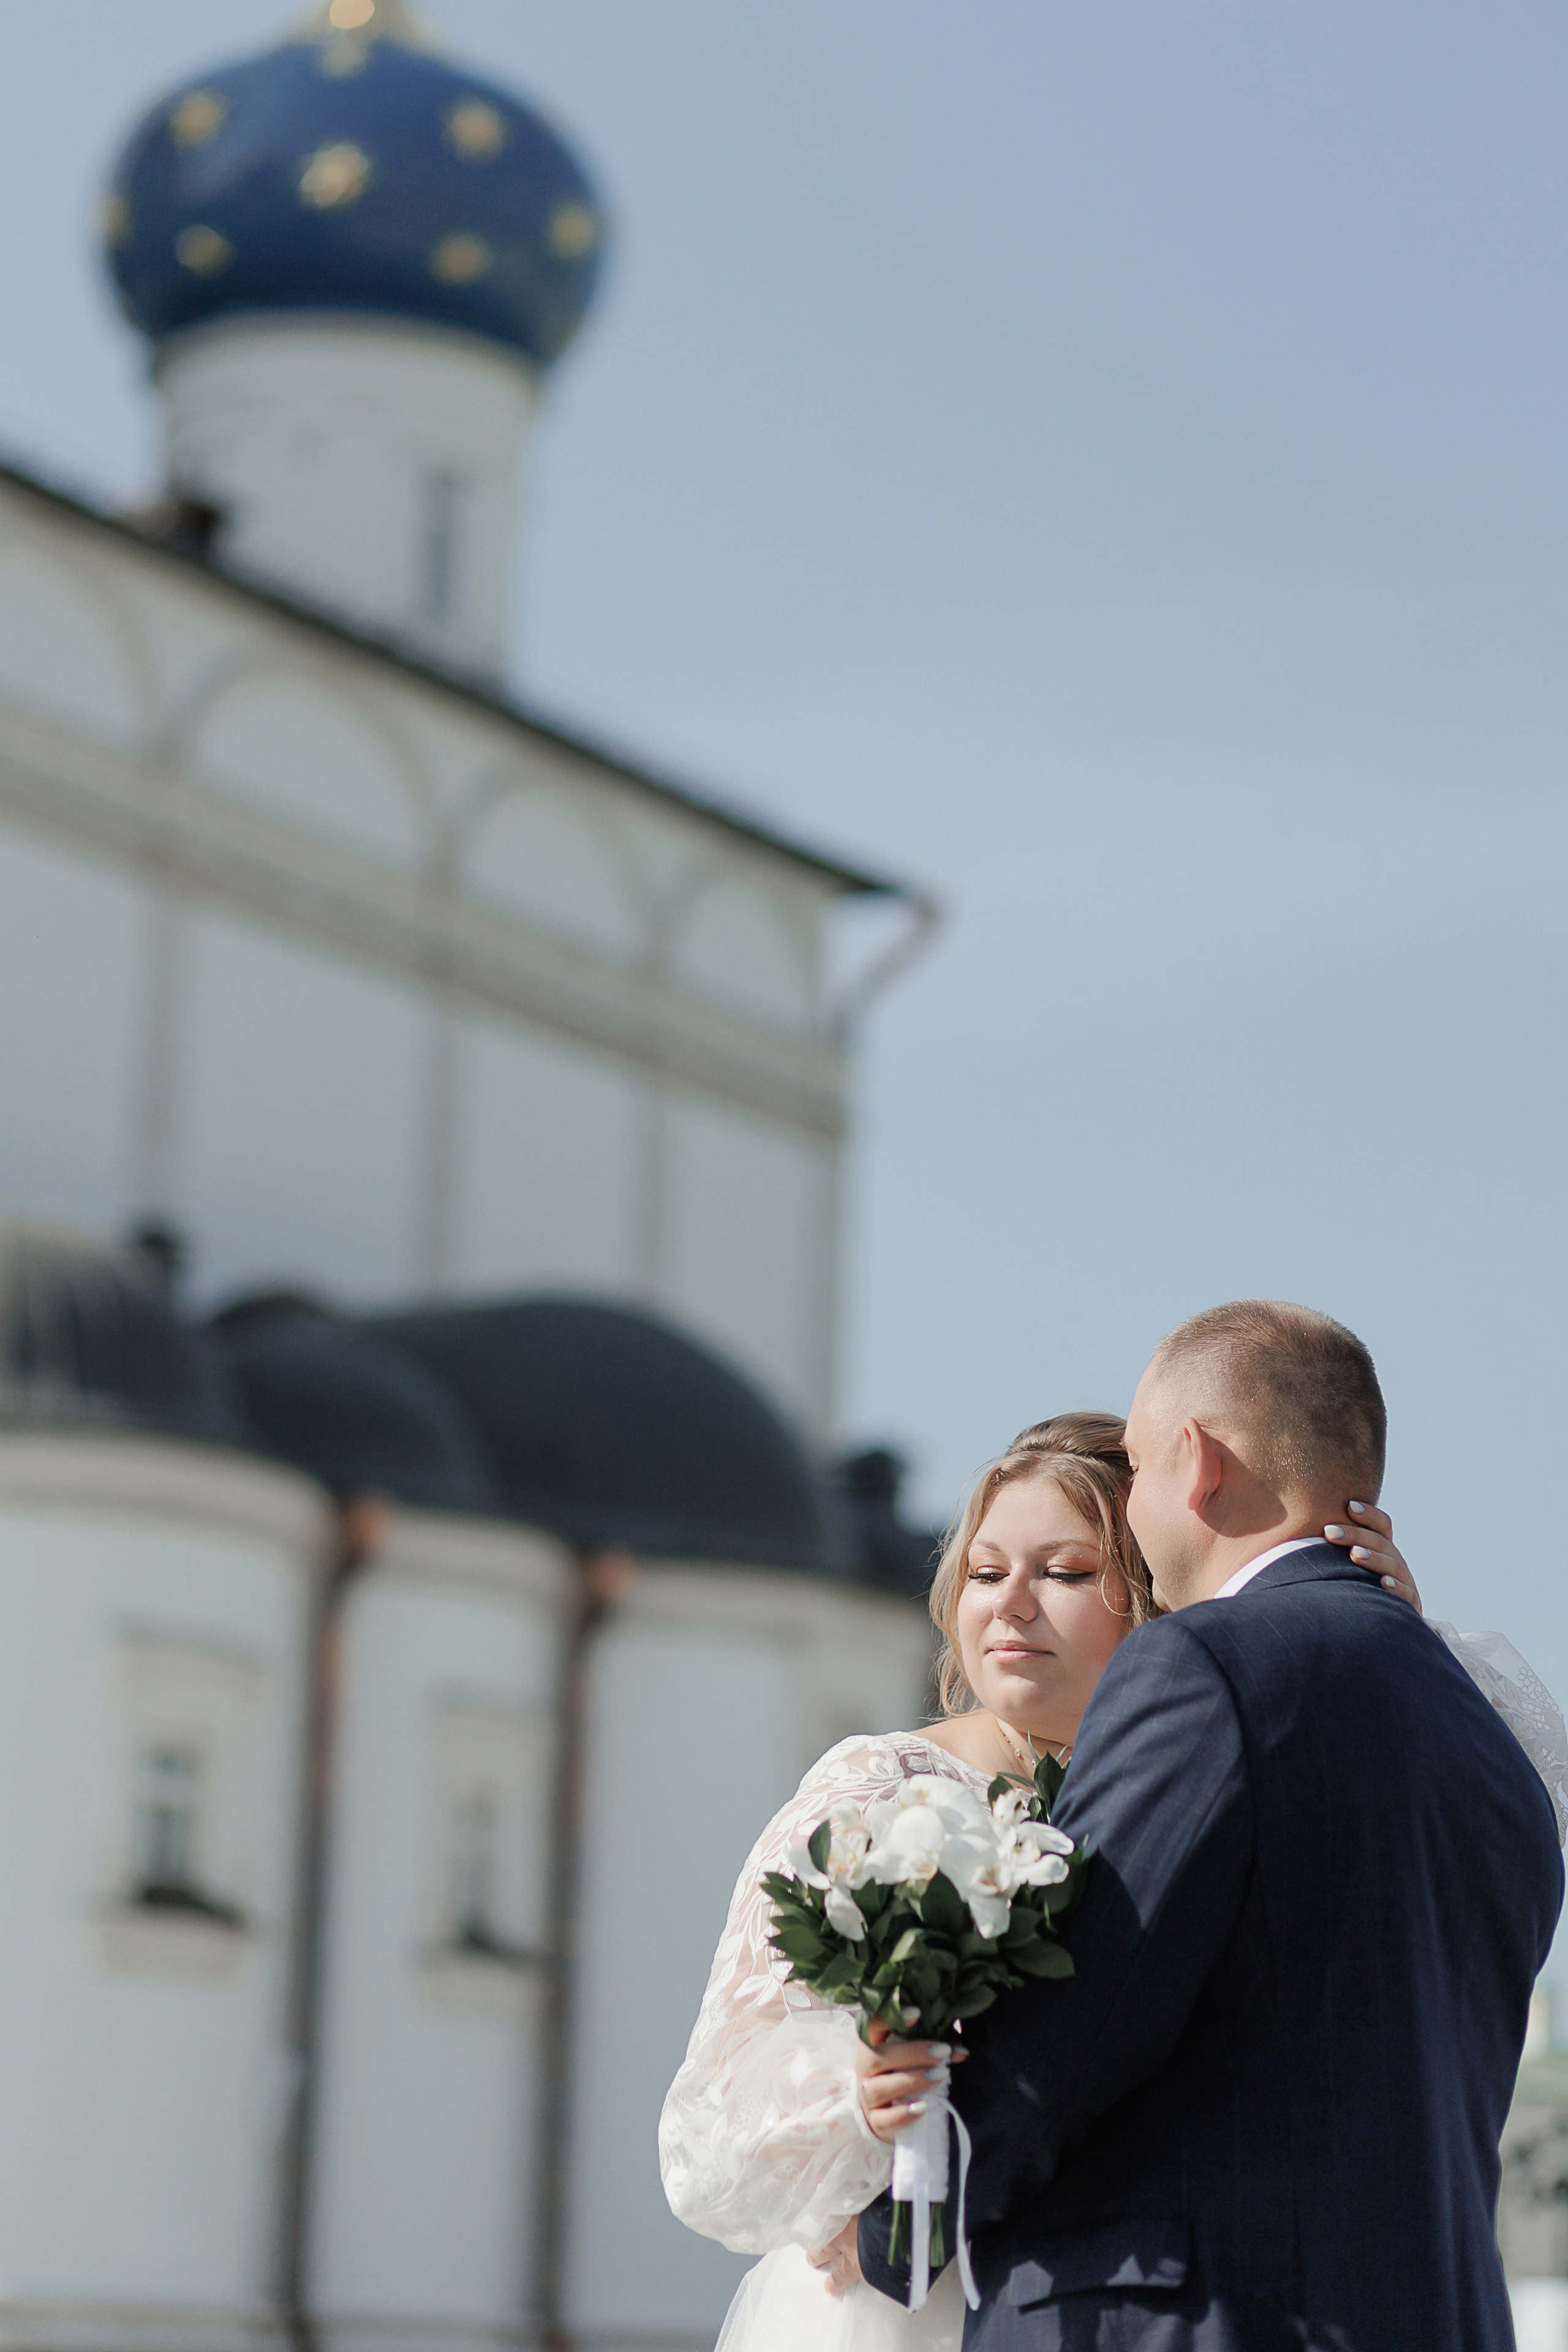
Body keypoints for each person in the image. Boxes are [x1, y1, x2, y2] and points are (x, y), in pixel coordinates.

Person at [658, 1321, 1562, 2351]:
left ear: (1152, 1586)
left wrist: (909, 2224)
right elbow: (719, 2106)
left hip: (1143, 2297)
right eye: (985, 1571)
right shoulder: (887, 1790)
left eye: (1066, 1570)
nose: (1011, 1606)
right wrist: (866, 2109)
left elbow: (1090, 2030)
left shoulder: (1219, 1694)